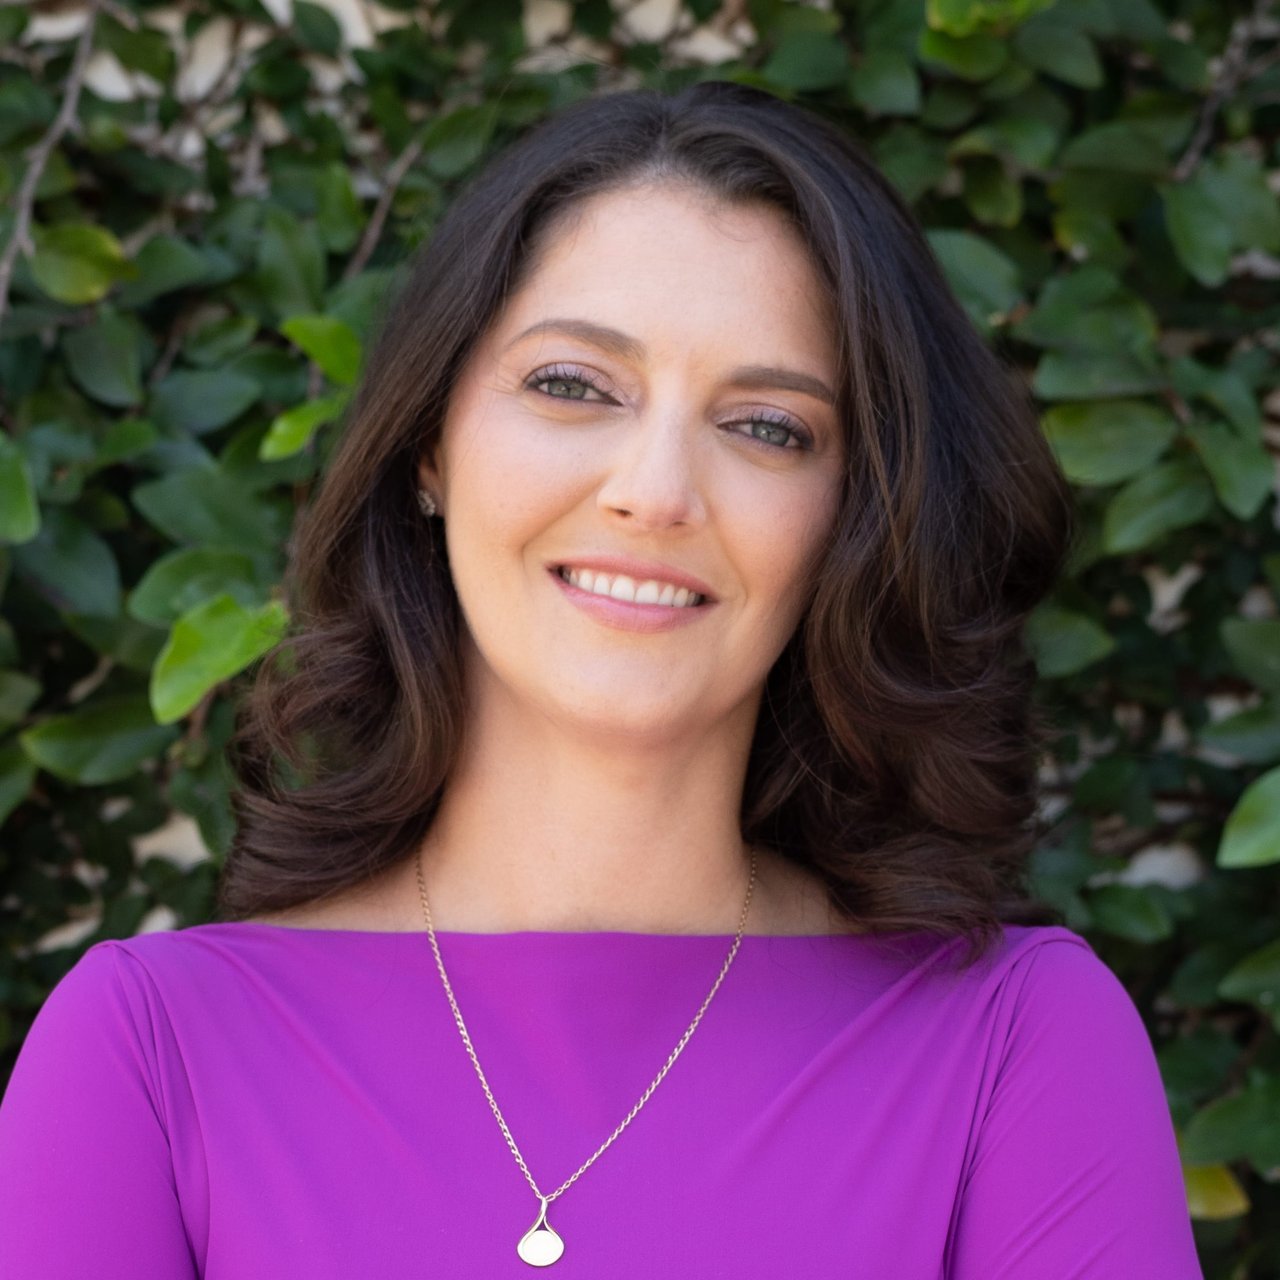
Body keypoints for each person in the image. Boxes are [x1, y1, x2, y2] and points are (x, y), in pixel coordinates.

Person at [0, 82, 1201, 1278]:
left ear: (850, 519)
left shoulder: (1012, 1043)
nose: (654, 490)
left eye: (768, 425)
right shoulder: (154, 1052)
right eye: (573, 385)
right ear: (429, 442)